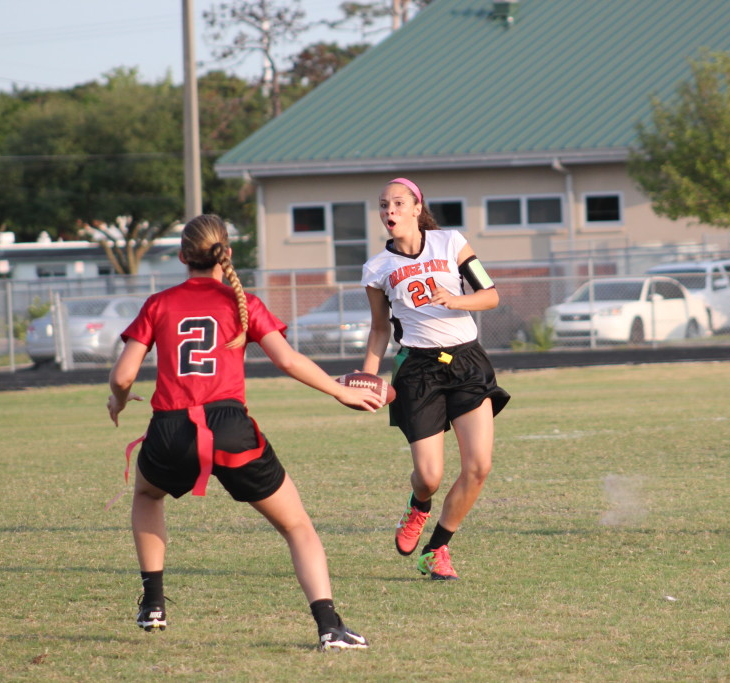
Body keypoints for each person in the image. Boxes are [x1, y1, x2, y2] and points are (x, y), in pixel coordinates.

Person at [108, 214, 381, 650]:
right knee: (297, 527)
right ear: (227, 254)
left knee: (146, 495)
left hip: (171, 429)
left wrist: (118, 402)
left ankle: (153, 604)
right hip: (230, 428)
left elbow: (123, 376)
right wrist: (339, 390)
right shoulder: (243, 302)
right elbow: (288, 361)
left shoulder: (159, 303)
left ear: (182, 256)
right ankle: (329, 626)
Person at [360, 178, 510, 580]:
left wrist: (456, 300)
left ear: (416, 208)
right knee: (429, 478)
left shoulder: (450, 242)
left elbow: (491, 294)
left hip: (466, 363)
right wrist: (367, 379)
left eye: (397, 203)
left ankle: (437, 549)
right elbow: (379, 329)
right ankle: (418, 505)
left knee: (479, 466)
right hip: (418, 371)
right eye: (383, 204)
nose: (389, 211)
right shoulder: (377, 268)